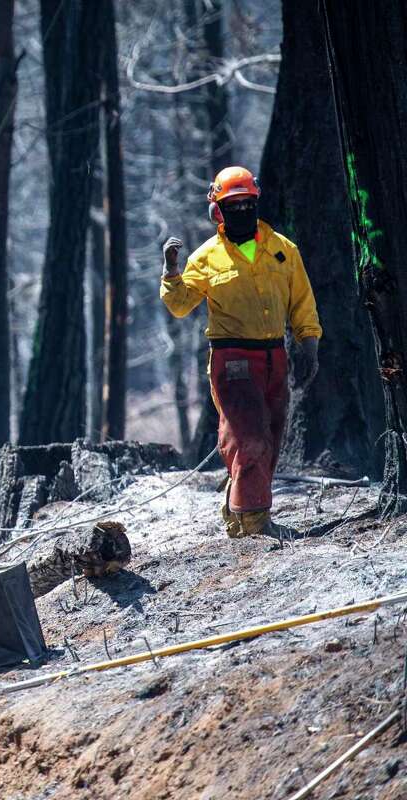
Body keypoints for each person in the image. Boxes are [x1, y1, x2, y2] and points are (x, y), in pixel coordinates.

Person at [160, 166, 322, 540]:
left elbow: (302, 301)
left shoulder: (284, 250)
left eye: (247, 203)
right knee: (247, 437)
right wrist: (171, 272)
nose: (241, 210)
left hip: (274, 356)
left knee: (271, 436)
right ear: (217, 210)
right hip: (232, 358)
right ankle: (253, 523)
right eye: (233, 205)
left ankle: (240, 508)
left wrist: (308, 343)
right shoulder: (205, 258)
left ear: (257, 202)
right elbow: (182, 305)